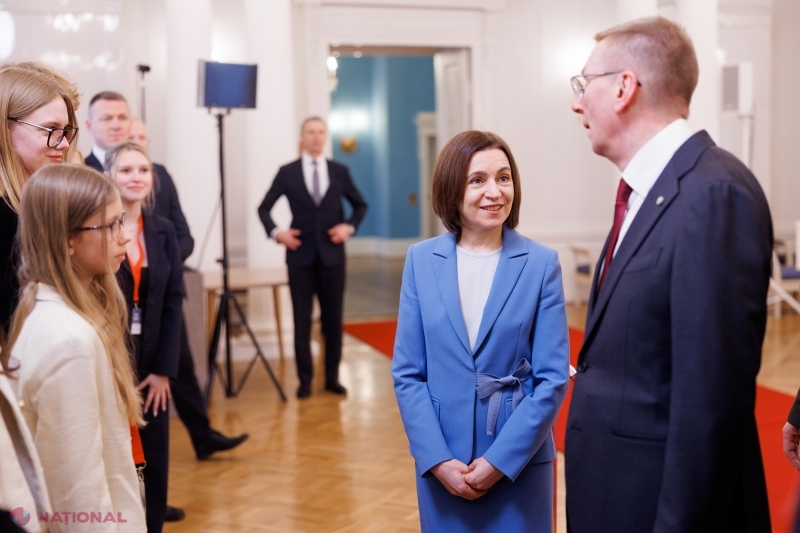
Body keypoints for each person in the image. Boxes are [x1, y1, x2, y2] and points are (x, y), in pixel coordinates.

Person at [564, 16, 773, 532]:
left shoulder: (713, 194)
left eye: (584, 84)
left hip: (660, 508)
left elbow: (710, 403)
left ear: (624, 88)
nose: (576, 103)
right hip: (618, 494)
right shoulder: (648, 192)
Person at [392, 130, 569, 532]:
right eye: (478, 180)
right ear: (452, 190)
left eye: (504, 178)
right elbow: (407, 374)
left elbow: (552, 379)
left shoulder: (541, 264)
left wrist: (498, 462)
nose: (495, 191)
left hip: (519, 463)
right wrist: (437, 459)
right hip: (444, 465)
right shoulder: (420, 260)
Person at [6, 163, 146, 531]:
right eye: (110, 225)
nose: (125, 236)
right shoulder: (69, 341)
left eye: (122, 221)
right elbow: (78, 494)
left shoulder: (54, 313)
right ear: (67, 239)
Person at [128, 117, 248, 462]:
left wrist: (162, 261)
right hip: (129, 298)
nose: (137, 143)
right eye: (131, 137)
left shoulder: (162, 177)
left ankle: (202, 435)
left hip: (165, 292)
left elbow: (185, 235)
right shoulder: (106, 177)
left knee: (181, 366)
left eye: (142, 137)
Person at [258, 117, 368, 398]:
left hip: (333, 257)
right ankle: (304, 381)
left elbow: (360, 205)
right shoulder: (288, 172)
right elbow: (263, 208)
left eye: (320, 132)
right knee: (301, 320)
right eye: (311, 132)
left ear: (325, 136)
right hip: (299, 257)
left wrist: (348, 227)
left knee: (333, 320)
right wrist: (277, 233)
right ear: (302, 137)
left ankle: (332, 378)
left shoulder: (339, 171)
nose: (316, 137)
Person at [105, 142, 184, 533]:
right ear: (109, 176)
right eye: (126, 170)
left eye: (143, 170)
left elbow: (173, 301)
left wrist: (165, 371)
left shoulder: (163, 229)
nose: (136, 178)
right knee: (118, 457)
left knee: (156, 458)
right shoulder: (99, 229)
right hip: (113, 363)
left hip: (153, 365)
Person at [0, 62, 78, 333]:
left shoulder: (43, 207)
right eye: (49, 129)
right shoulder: (5, 217)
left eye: (66, 130)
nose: (64, 143)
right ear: (6, 130)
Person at [84, 91, 131, 171]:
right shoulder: (80, 172)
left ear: (130, 123)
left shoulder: (152, 172)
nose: (116, 126)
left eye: (122, 118)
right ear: (90, 126)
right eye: (106, 119)